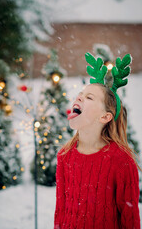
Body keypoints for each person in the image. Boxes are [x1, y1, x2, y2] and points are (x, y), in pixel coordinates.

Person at [54, 53, 141, 229]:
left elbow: (130, 220)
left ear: (105, 116)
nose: (78, 98)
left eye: (89, 97)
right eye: (80, 95)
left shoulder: (122, 161)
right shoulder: (65, 156)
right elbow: (61, 211)